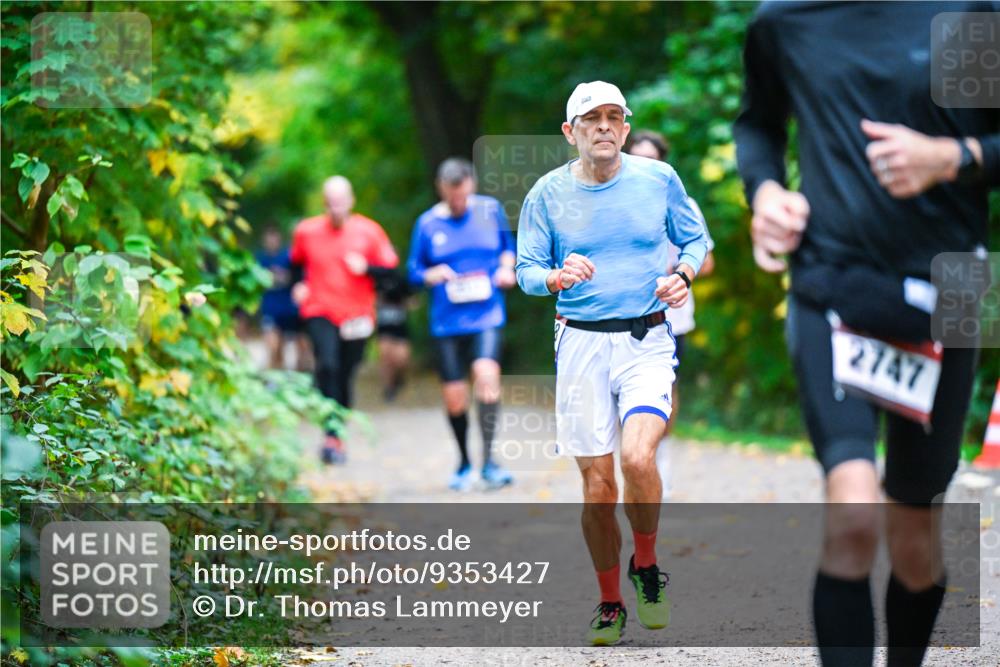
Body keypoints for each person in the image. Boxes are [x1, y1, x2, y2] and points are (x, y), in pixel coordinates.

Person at [734, 4, 996, 666]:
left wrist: (953, 156)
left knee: (914, 538)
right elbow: (758, 125)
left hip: (949, 289)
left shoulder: (966, 14)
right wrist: (764, 194)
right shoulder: (788, 18)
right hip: (832, 284)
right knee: (851, 511)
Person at [517, 81, 708, 645]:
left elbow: (695, 240)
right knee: (598, 487)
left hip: (645, 338)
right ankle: (608, 602)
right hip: (579, 344)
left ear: (625, 128)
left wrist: (684, 276)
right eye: (590, 118)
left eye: (612, 117)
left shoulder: (659, 180)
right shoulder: (546, 195)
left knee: (638, 455)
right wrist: (554, 276)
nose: (603, 126)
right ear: (570, 131)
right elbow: (526, 269)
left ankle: (645, 565)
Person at [407, 158, 517, 491]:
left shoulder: (490, 210)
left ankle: (489, 461)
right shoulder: (427, 224)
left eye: (463, 196)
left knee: (486, 376)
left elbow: (507, 250)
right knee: (455, 397)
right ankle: (464, 463)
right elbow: (413, 270)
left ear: (472, 185)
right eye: (452, 197)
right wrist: (431, 274)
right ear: (442, 189)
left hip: (486, 314)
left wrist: (506, 269)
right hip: (447, 323)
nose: (459, 203)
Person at [626, 130, 716, 499]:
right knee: (624, 389)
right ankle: (633, 456)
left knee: (666, 387)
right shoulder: (617, 200)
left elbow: (706, 262)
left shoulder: (684, 204)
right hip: (625, 310)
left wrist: (677, 269)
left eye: (653, 158)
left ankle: (657, 454)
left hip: (671, 314)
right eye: (639, 157)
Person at [290, 176, 400, 465]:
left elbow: (391, 274)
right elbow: (295, 265)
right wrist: (298, 285)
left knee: (346, 372)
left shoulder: (369, 231)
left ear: (351, 201)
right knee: (328, 365)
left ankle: (337, 430)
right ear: (325, 203)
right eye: (331, 203)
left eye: (341, 202)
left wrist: (367, 268)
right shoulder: (306, 231)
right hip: (319, 309)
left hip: (357, 315)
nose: (336, 208)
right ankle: (332, 435)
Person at [255, 225, 310, 372]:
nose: (272, 241)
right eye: (269, 238)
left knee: (300, 346)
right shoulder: (259, 259)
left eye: (274, 237)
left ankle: (299, 380)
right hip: (270, 309)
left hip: (290, 309)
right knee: (273, 345)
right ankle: (275, 380)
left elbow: (301, 276)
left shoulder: (290, 257)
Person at [374, 268, 413, 402]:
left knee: (402, 359)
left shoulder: (400, 281)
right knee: (386, 358)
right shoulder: (375, 280)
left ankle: (399, 381)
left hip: (400, 328)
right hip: (384, 328)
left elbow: (413, 301)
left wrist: (401, 303)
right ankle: (388, 388)